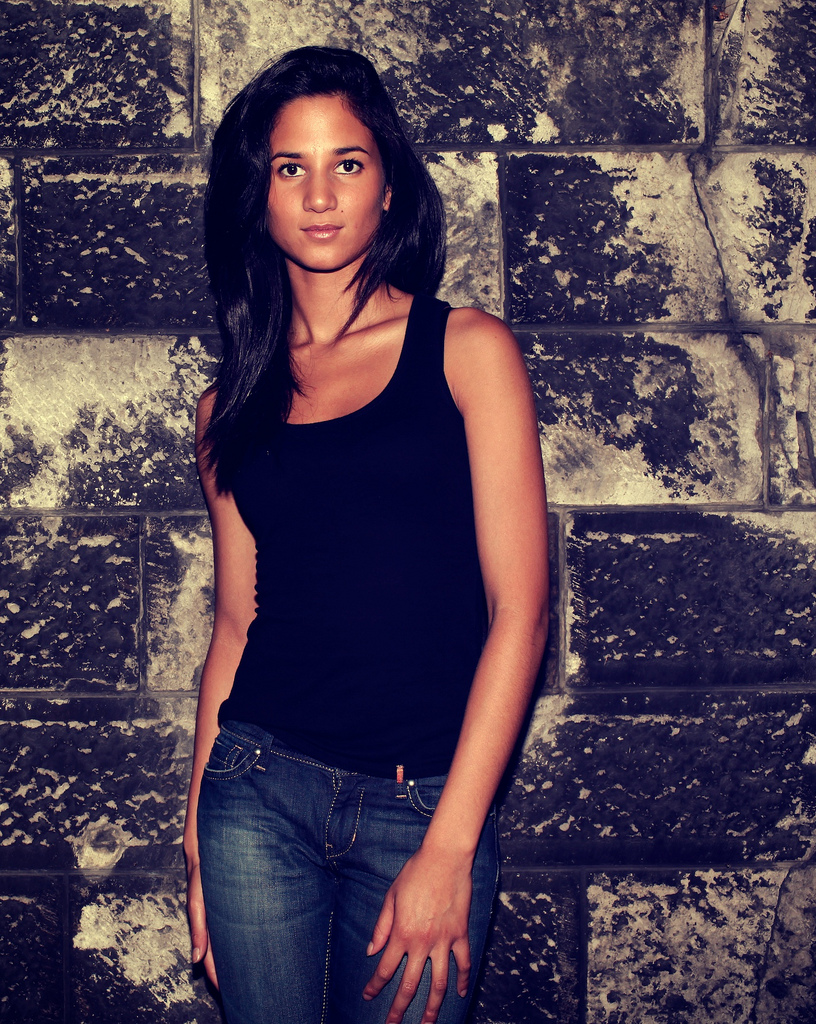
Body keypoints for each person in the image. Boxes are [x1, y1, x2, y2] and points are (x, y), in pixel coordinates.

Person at [182, 46, 548, 1024]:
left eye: (346, 162)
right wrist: (195, 845)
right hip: (255, 794)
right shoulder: (226, 408)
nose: (319, 195)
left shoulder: (468, 351)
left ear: (388, 185)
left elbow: (521, 613)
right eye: (288, 167)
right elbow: (234, 625)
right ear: (258, 195)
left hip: (421, 805)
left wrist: (450, 846)